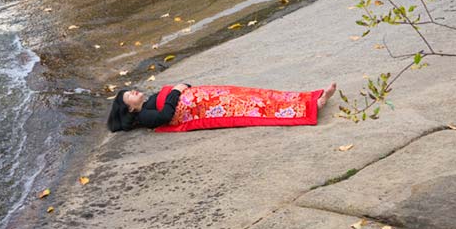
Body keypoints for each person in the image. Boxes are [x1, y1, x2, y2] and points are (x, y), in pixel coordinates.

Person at [107, 81, 338, 133]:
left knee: (254, 95)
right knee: (251, 106)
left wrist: (183, 87)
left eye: (131, 90)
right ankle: (313, 106)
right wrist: (177, 91)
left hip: (207, 96)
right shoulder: (145, 116)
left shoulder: (146, 104)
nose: (134, 91)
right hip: (206, 107)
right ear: (129, 108)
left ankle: (307, 98)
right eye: (129, 95)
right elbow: (167, 115)